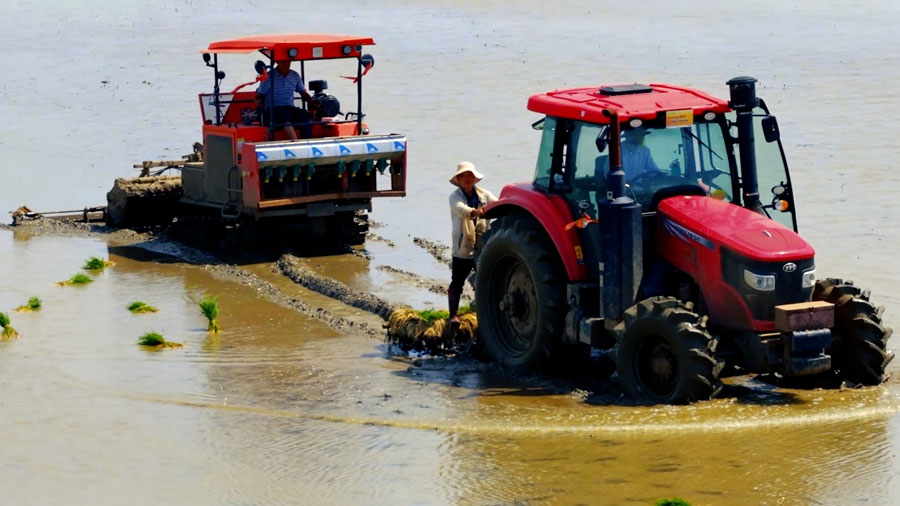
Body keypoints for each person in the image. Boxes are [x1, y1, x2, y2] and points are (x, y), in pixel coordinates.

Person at [448, 161, 497, 328]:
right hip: (463, 244)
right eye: (463, 176)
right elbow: (463, 210)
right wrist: (477, 212)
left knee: (486, 280)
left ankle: (486, 312)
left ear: (475, 178)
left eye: (470, 176)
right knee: (457, 281)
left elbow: (497, 205)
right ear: (458, 180)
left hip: (483, 245)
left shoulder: (485, 195)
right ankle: (453, 315)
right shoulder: (455, 197)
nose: (467, 179)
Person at [256, 60, 315, 140]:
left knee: (303, 115)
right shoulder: (268, 77)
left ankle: (308, 141)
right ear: (277, 62)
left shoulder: (295, 76)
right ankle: (295, 141)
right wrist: (260, 107)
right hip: (273, 109)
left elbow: (303, 93)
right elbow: (259, 96)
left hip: (289, 107)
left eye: (288, 61)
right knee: (283, 115)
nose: (287, 64)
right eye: (283, 61)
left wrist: (312, 103)